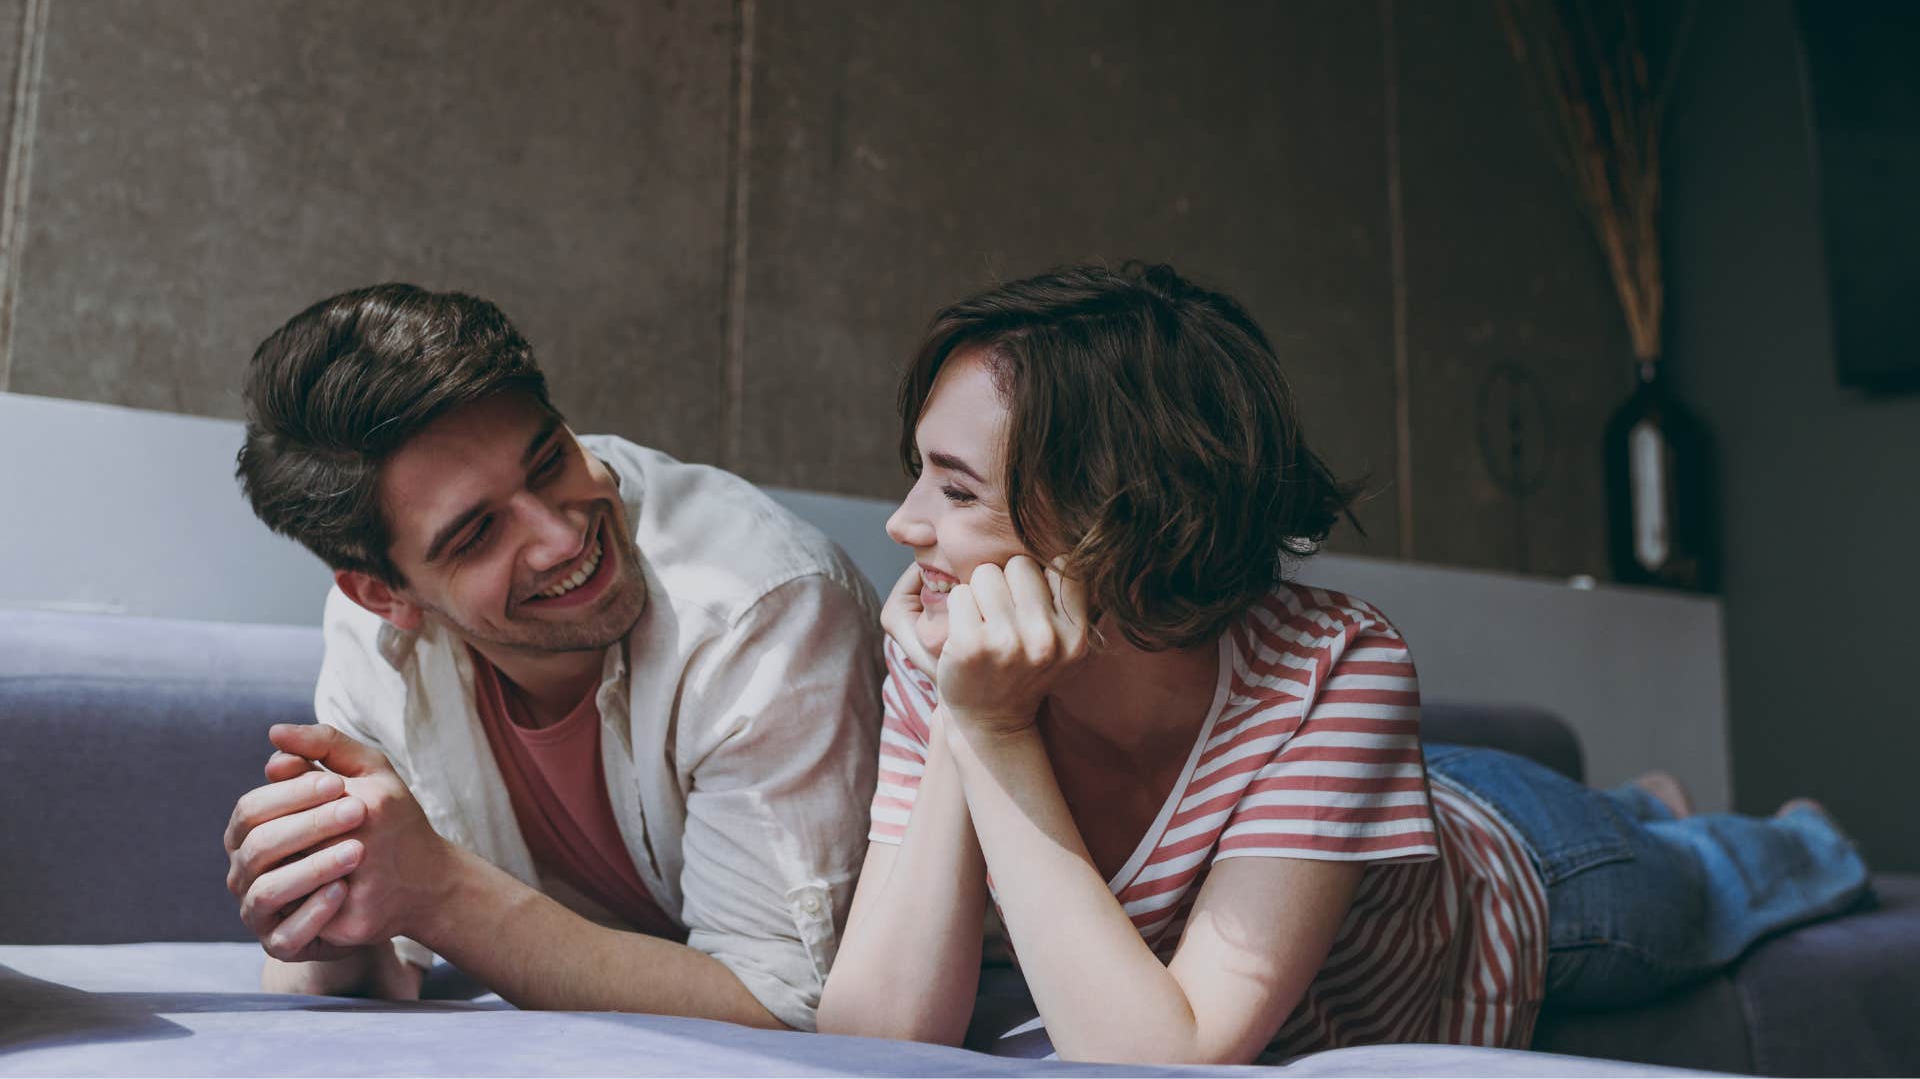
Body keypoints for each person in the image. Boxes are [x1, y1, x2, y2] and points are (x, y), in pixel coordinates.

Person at [814, 262, 1871, 1064]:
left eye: (955, 492)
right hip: (1355, 825)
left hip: (1516, 871)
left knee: (1724, 879)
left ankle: (1690, 818)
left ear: (1117, 517)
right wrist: (971, 722)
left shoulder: (1335, 664)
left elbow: (1166, 1060)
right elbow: (868, 1036)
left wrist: (996, 733)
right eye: (919, 476)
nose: (905, 526)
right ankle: (1639, 799)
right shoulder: (958, 661)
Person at [220, 284, 881, 1030]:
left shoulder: (759, 609)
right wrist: (322, 894)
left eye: (550, 461)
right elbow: (363, 971)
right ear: (386, 594)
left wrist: (440, 892)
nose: (563, 538)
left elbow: (783, 1007)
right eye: (477, 536)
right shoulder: (373, 638)